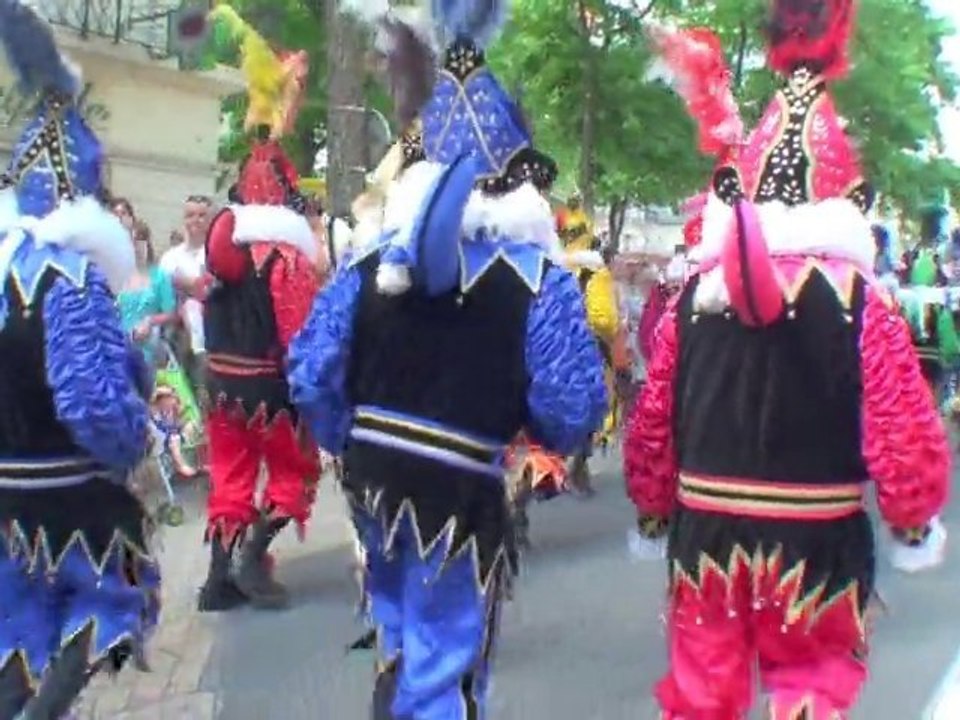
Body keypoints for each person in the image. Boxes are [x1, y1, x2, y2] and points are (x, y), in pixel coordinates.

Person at [628, 7, 949, 718]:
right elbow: (901, 425)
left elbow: (654, 419)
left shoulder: (693, 298)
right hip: (816, 539)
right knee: (810, 688)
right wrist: (911, 521)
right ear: (839, 195)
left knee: (703, 693)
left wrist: (652, 508)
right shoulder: (861, 301)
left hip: (706, 531)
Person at [288, 1, 607, 717]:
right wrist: (537, 434)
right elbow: (570, 404)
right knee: (447, 659)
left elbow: (312, 368)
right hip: (459, 484)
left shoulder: (370, 260)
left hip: (371, 474)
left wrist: (348, 434)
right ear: (520, 179)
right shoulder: (538, 277)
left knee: (400, 631)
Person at [0, 3, 156, 717]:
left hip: (3, 495)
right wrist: (136, 439)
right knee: (117, 595)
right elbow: (92, 401)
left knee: (16, 625)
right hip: (72, 492)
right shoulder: (73, 277)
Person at [196, 5, 322, 613]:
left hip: (219, 384)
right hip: (271, 390)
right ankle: (253, 559)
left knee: (229, 475)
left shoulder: (219, 251)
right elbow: (299, 337)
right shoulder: (287, 256)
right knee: (298, 473)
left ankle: (218, 579)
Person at [555, 198, 619, 494]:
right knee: (594, 404)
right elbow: (606, 320)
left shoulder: (550, 265)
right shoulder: (597, 273)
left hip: (551, 345)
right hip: (587, 350)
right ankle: (579, 463)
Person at [160, 194, 212, 404]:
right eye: (190, 215)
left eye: (202, 216)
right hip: (175, 334)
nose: (195, 221)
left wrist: (190, 287)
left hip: (209, 337)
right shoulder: (170, 258)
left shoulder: (215, 256)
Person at [117, 217, 178, 366]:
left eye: (140, 240)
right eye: (130, 243)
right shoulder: (116, 275)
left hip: (148, 346)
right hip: (119, 345)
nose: (136, 247)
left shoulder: (160, 276)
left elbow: (171, 314)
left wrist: (150, 321)